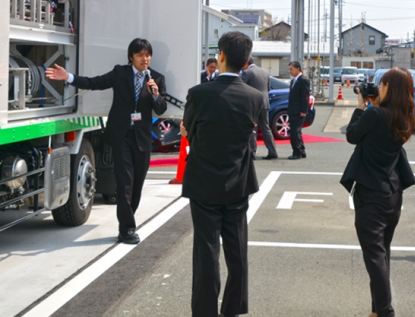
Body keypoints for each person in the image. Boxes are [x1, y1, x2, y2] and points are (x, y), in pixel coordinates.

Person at [45, 38, 167, 244]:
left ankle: (127, 222)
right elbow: (95, 83)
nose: (144, 59)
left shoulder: (156, 78)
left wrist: (155, 94)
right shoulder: (120, 73)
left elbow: (161, 108)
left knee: (137, 186)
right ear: (131, 57)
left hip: (143, 138)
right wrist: (69, 77)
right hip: (122, 136)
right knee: (125, 183)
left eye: (147, 55)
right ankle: (127, 228)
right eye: (140, 55)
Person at [180, 31, 264, 317]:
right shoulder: (254, 97)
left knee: (206, 254)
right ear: (247, 60)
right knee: (237, 252)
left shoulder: (199, 93)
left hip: (204, 183)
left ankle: (205, 312)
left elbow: (189, 131)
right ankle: (232, 309)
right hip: (238, 181)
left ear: (222, 56)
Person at [340, 67, 415, 317]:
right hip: (393, 193)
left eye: (382, 85)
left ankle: (384, 311)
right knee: (382, 253)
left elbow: (352, 135)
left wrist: (362, 105)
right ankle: (377, 309)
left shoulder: (375, 116)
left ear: (389, 89)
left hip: (371, 195)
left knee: (374, 256)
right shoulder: (405, 117)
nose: (379, 89)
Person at [241, 57, 278, 160]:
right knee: (266, 128)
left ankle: (252, 153)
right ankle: (273, 151)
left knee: (253, 128)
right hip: (265, 102)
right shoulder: (264, 71)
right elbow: (268, 88)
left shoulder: (247, 73)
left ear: (246, 62)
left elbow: (240, 88)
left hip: (253, 104)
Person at [287, 61, 310, 160]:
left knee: (294, 132)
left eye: (291, 69)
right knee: (297, 132)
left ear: (298, 69)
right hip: (292, 110)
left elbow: (305, 97)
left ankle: (297, 152)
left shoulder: (303, 80)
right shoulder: (293, 81)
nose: (290, 71)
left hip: (298, 111)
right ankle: (302, 150)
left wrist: (303, 110)